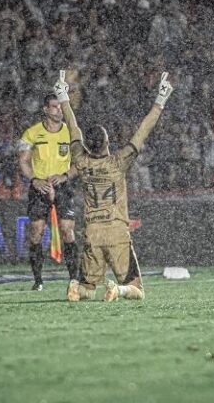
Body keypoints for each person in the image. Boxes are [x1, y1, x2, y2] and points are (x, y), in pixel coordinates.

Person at [53, 70, 173, 302]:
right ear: (107, 142)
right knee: (137, 289)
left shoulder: (81, 160)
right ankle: (118, 290)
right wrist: (160, 100)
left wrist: (63, 98)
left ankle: (76, 288)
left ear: (87, 145)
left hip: (92, 232)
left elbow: (73, 128)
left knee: (87, 288)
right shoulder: (119, 162)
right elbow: (142, 131)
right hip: (116, 232)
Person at [18, 93, 79, 291]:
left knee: (67, 229)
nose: (59, 110)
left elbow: (80, 164)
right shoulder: (32, 133)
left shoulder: (71, 133)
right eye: (54, 107)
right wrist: (34, 180)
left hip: (63, 186)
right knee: (36, 232)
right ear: (45, 109)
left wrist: (65, 176)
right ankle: (38, 280)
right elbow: (23, 162)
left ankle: (74, 279)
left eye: (60, 107)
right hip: (40, 187)